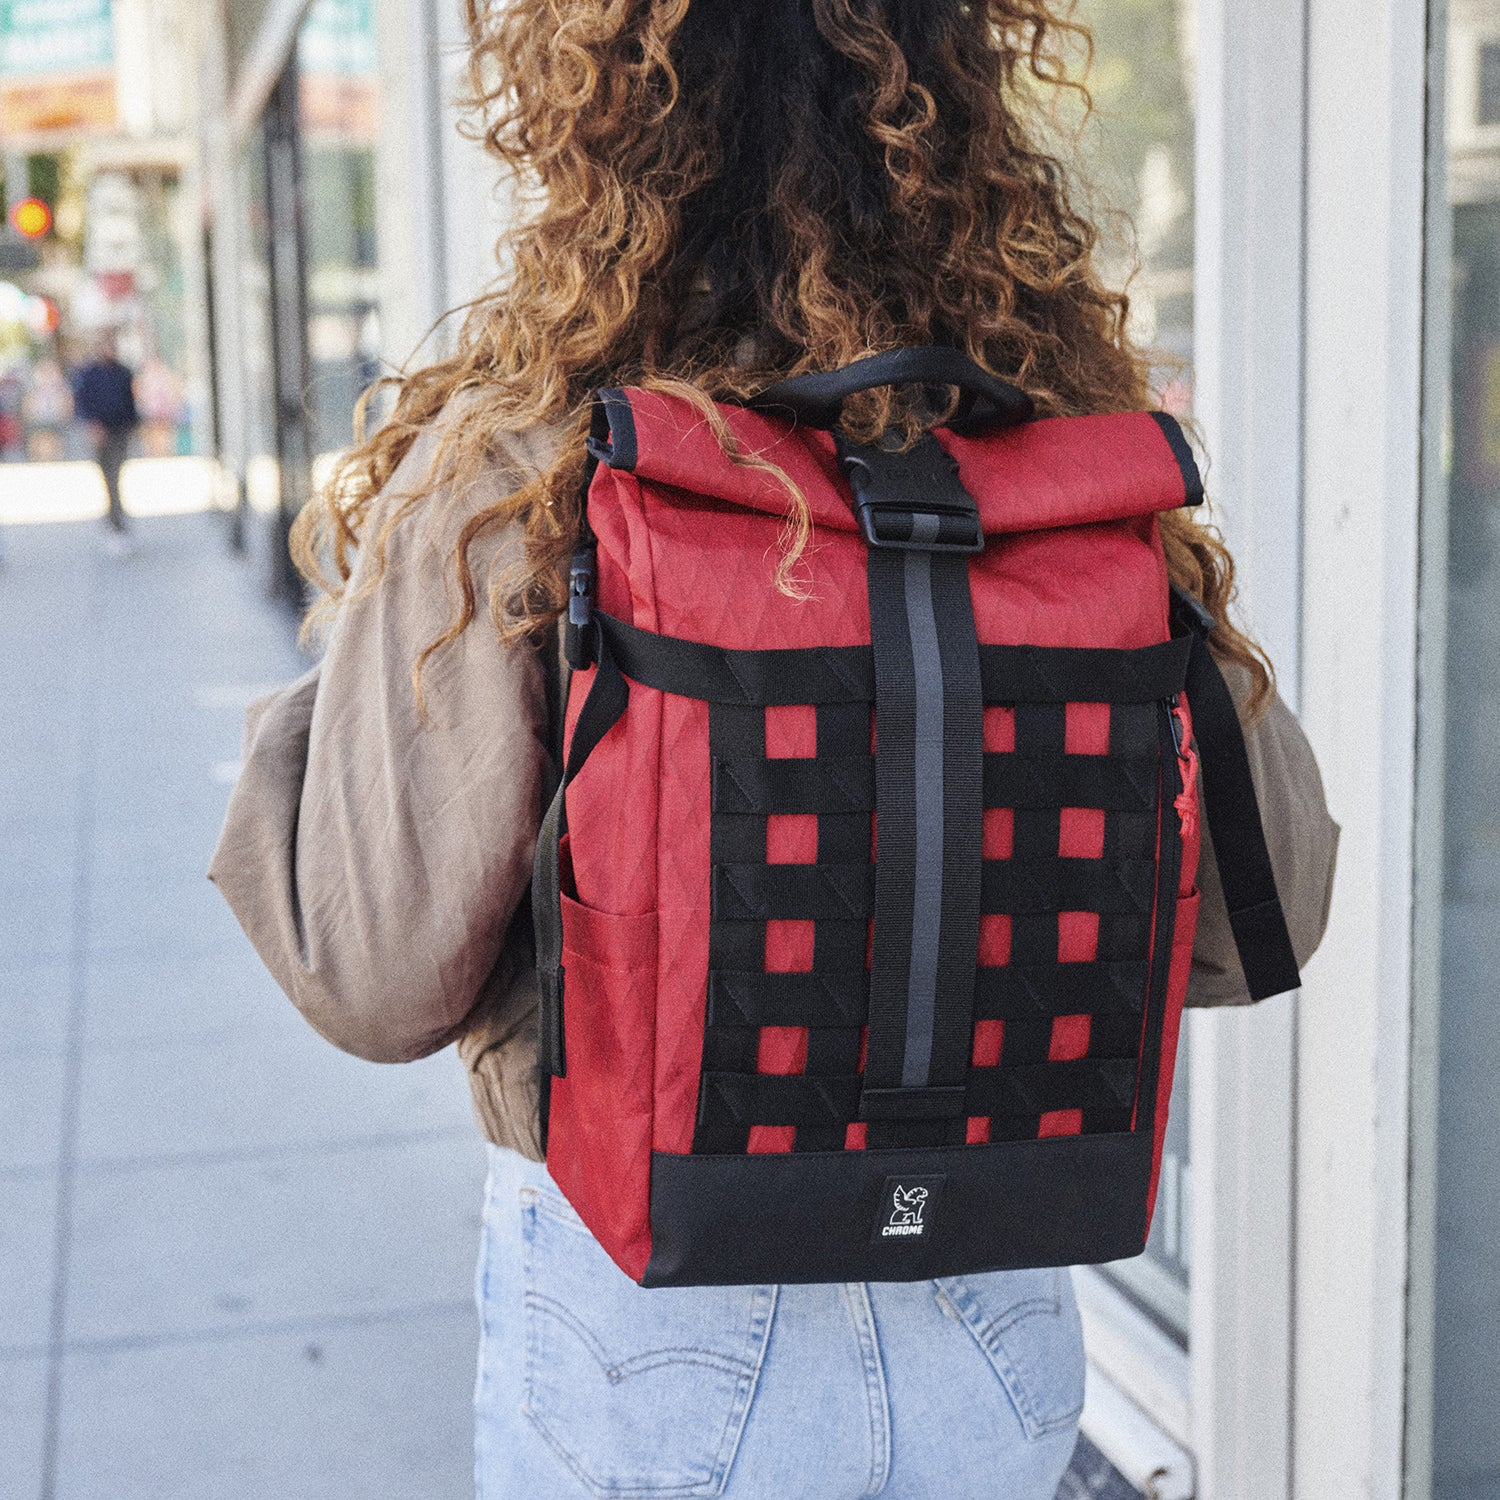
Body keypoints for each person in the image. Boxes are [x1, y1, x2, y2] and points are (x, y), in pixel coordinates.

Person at [210, 3, 1337, 1497]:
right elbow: (1276, 903)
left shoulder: (532, 465)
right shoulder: (1060, 461)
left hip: (657, 1311)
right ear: (960, 104)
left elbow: (376, 975)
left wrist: (311, 725)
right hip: (999, 1291)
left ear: (590, 117)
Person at [71, 330, 137, 540]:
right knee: (106, 477)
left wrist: (131, 428)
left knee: (115, 475)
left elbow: (129, 404)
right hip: (99, 433)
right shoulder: (88, 374)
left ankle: (117, 521)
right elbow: (81, 403)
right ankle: (114, 520)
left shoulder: (123, 373)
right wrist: (91, 425)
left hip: (119, 431)